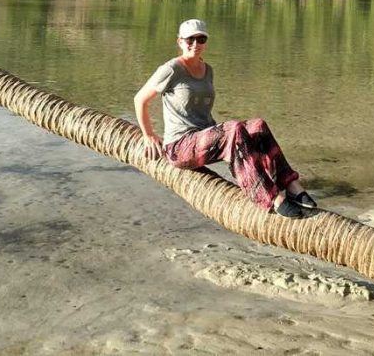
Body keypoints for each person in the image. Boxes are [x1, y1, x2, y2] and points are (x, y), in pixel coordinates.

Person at [134, 18, 317, 219]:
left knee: (258, 125)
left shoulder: (208, 70)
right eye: (190, 39)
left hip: (204, 138)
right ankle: (270, 198)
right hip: (180, 146)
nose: (195, 44)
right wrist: (148, 134)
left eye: (201, 39)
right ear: (180, 41)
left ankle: (289, 183)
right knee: (233, 128)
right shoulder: (171, 69)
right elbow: (140, 100)